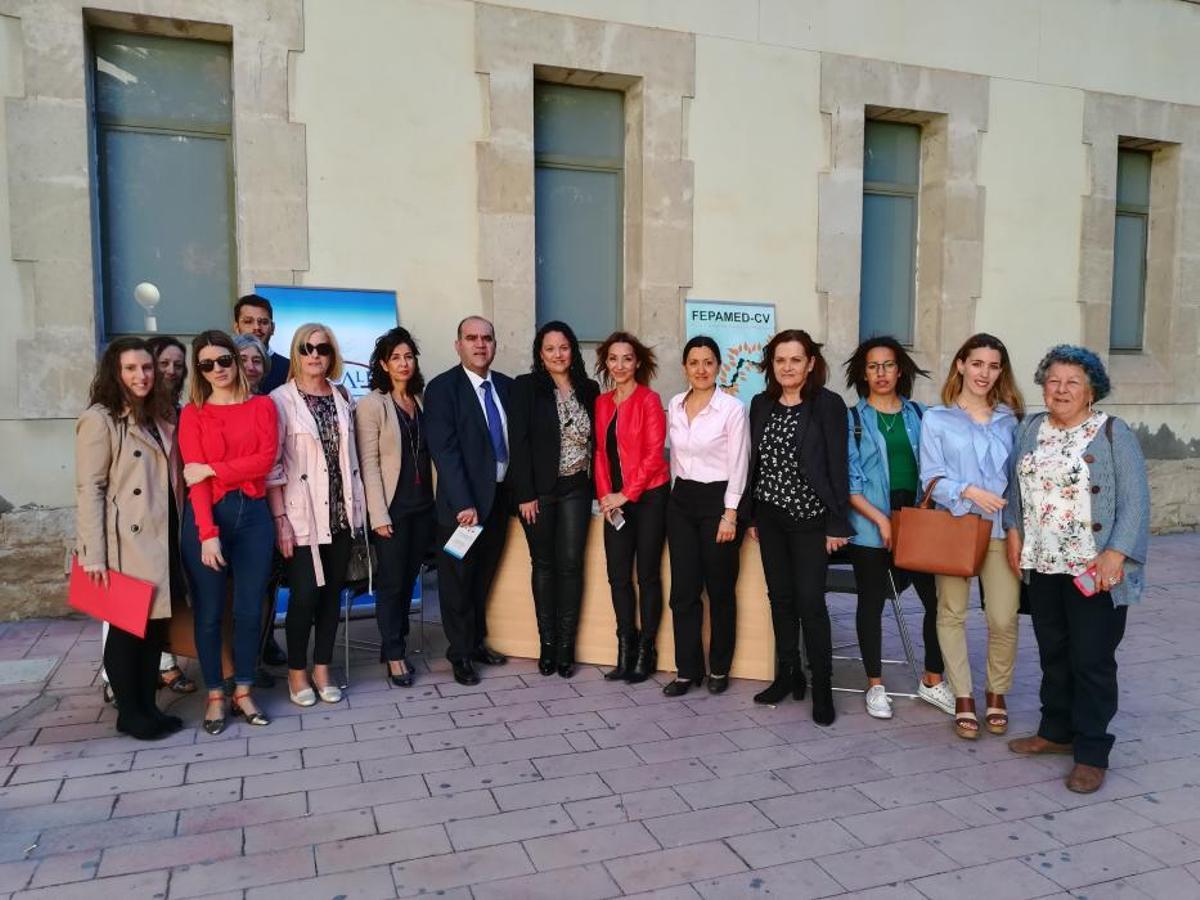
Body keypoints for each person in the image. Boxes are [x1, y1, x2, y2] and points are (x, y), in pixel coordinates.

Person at [1005, 346, 1149, 794]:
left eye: (1073, 382)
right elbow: (1015, 489)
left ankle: (1092, 752)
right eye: (1053, 381)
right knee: (1054, 652)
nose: (1061, 389)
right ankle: (1056, 731)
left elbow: (1136, 502)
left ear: (1091, 391)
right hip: (1044, 564)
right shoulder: (1030, 428)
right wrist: (1013, 530)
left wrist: (1116, 553)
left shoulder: (1113, 433)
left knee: (1092, 659)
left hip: (1094, 568)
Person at [75, 337, 183, 740]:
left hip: (161, 534)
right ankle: (130, 713)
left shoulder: (155, 413)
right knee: (126, 629)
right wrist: (94, 554)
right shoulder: (101, 418)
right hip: (125, 541)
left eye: (147, 367)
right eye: (131, 369)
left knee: (154, 628)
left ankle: (148, 707)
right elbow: (90, 488)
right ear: (115, 373)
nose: (142, 375)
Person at [919, 333, 1024, 740]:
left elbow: (1019, 480)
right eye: (977, 363)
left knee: (1003, 616)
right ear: (961, 365)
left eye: (994, 366)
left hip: (999, 529)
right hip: (955, 527)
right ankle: (963, 696)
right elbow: (931, 477)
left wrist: (1017, 527)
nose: (984, 373)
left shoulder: (1011, 419)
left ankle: (997, 691)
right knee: (952, 613)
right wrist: (968, 491)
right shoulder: (937, 418)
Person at [743, 329, 851, 725]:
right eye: (780, 360)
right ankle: (788, 674)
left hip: (810, 520)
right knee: (781, 599)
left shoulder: (828, 405)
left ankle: (822, 686)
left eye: (795, 360)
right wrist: (751, 515)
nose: (787, 367)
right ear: (771, 365)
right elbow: (754, 463)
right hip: (769, 518)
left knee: (811, 603)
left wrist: (837, 522)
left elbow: (838, 466)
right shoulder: (761, 404)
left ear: (810, 364)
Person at [843, 336, 952, 719]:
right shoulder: (853, 420)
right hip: (871, 524)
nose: (881, 373)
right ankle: (875, 685)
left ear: (899, 369)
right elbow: (850, 482)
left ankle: (933, 679)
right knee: (871, 604)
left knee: (936, 603)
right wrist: (881, 520)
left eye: (888, 365)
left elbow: (937, 468)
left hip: (918, 521)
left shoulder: (922, 415)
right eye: (873, 366)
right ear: (863, 373)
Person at [178, 331, 277, 734]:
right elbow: (194, 481)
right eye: (207, 364)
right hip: (209, 518)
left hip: (254, 516)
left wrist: (214, 469)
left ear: (236, 360)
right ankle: (216, 694)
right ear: (198, 371)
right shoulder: (193, 414)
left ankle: (244, 689)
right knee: (209, 612)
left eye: (223, 360)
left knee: (251, 609)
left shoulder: (263, 406)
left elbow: (264, 460)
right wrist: (207, 533)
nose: (217, 369)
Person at [267, 323, 365, 706]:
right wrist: (280, 521)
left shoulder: (343, 396)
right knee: (305, 595)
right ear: (296, 353)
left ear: (331, 355)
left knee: (331, 597)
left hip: (340, 513)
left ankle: (323, 667)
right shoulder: (280, 400)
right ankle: (297, 672)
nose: (314, 355)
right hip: (301, 516)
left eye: (322, 349)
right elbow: (273, 468)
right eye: (306, 348)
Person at [424, 316, 513, 687]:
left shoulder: (506, 386)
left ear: (495, 344)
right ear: (458, 344)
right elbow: (444, 452)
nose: (480, 344)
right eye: (471, 338)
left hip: (499, 501)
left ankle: (476, 643)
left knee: (482, 577)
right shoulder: (442, 389)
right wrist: (463, 502)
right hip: (462, 509)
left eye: (486, 338)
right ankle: (459, 654)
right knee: (457, 582)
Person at [509, 321, 600, 679]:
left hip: (577, 487)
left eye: (563, 347)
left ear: (572, 350)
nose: (558, 355)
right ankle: (546, 645)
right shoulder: (526, 387)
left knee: (571, 565)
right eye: (550, 349)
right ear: (540, 354)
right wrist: (525, 493)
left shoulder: (589, 388)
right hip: (540, 492)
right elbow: (519, 442)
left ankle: (566, 648)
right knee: (544, 565)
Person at [661, 336, 749, 697]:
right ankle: (687, 670)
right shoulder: (675, 404)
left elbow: (739, 463)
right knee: (683, 590)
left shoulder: (732, 409)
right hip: (682, 500)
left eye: (708, 362)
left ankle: (720, 668)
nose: (701, 369)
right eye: (694, 362)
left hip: (719, 501)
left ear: (718, 367)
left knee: (720, 589)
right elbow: (674, 458)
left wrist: (730, 514)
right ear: (685, 367)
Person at [356, 326, 435, 687]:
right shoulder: (372, 405)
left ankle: (395, 642)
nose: (404, 363)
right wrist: (378, 515)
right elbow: (369, 463)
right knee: (392, 583)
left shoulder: (419, 399)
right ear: (384, 365)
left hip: (423, 506)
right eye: (396, 358)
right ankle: (394, 654)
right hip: (392, 509)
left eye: (409, 356)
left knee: (409, 581)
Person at [593, 332, 669, 683]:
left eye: (627, 358)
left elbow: (654, 455)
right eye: (613, 359)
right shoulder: (602, 403)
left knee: (648, 575)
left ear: (637, 362)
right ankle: (625, 647)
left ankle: (646, 651)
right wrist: (606, 496)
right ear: (606, 363)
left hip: (650, 497)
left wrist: (626, 494)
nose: (620, 365)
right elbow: (599, 454)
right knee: (618, 576)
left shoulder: (649, 400)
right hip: (616, 502)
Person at [233, 331, 289, 671]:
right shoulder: (208, 407)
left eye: (257, 361)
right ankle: (236, 664)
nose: (251, 367)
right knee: (234, 593)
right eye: (243, 360)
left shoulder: (268, 405)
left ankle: (256, 658)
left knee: (265, 587)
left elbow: (272, 461)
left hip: (263, 508)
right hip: (226, 511)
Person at [234, 294, 290, 395]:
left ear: (272, 328)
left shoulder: (290, 369)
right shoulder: (227, 365)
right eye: (248, 321)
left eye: (264, 322)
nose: (257, 327)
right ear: (237, 328)